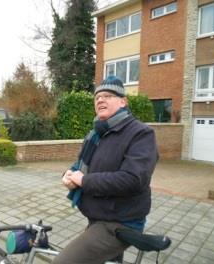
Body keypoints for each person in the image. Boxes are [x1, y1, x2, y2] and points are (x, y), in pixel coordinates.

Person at [52, 75, 159, 264]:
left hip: (120, 222)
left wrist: (83, 181)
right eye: (97, 97)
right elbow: (79, 166)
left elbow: (132, 179)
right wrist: (68, 177)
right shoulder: (96, 133)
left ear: (123, 102)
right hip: (98, 216)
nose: (100, 99)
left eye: (108, 95)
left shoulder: (141, 133)